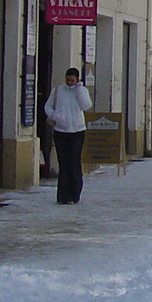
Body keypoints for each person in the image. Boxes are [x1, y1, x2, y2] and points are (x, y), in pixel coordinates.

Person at [44, 67, 92, 204]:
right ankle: (63, 196)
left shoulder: (82, 91)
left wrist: (78, 90)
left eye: (72, 80)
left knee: (74, 162)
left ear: (77, 80)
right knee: (63, 163)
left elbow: (85, 106)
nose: (70, 83)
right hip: (61, 131)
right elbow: (48, 106)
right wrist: (55, 116)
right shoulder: (58, 91)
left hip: (77, 131)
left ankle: (75, 193)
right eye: (68, 80)